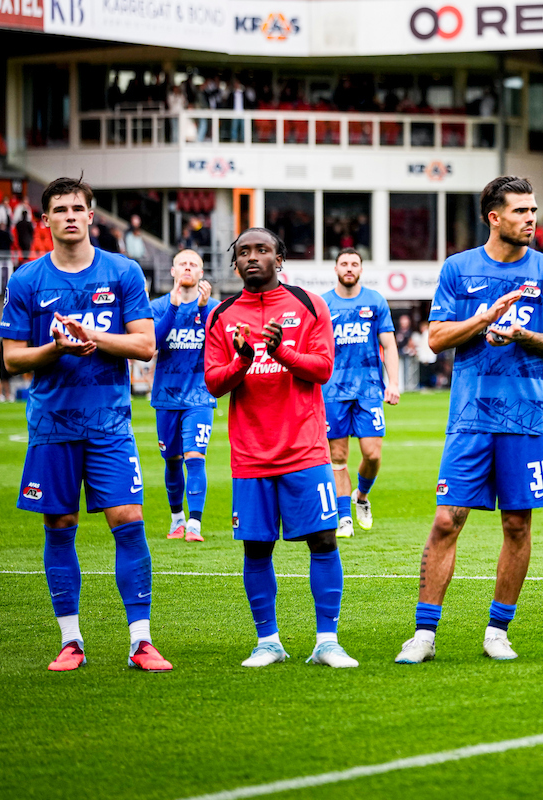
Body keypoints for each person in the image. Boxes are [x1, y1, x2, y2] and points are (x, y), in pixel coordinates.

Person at [395, 176, 543, 665]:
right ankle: (424, 635)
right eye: (520, 211)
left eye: (534, 210)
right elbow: (436, 338)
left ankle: (498, 629)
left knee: (517, 525)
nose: (531, 218)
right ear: (494, 217)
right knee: (446, 520)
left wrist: (523, 334)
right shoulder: (458, 269)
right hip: (470, 420)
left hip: (527, 420)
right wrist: (484, 319)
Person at [0, 175, 170, 672]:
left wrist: (91, 335)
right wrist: (57, 347)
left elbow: (144, 346)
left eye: (79, 208)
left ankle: (141, 641)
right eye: (61, 209)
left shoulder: (123, 272)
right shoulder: (27, 280)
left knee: (129, 522)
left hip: (109, 424)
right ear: (46, 219)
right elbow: (12, 361)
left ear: (91, 217)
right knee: (60, 525)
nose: (71, 216)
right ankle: (70, 641)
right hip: (51, 424)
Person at [204, 227, 357, 669]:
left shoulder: (310, 305)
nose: (253, 257)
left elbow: (324, 368)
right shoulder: (222, 315)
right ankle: (268, 641)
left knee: (324, 540)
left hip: (305, 450)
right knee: (256, 547)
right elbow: (214, 383)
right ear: (235, 264)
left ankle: (327, 641)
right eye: (244, 252)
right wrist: (244, 362)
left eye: (262, 250)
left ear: (279, 258)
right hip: (250, 453)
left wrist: (281, 352)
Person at [321, 248, 399, 537]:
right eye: (344, 263)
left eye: (355, 263)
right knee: (337, 457)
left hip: (368, 391)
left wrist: (393, 383)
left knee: (373, 454)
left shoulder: (375, 301)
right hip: (332, 391)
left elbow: (389, 345)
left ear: (361, 269)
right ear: (336, 269)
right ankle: (344, 520)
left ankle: (362, 497)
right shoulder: (324, 304)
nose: (349, 268)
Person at [150, 249, 218, 543]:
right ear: (173, 271)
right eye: (183, 264)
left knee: (195, 457)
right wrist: (174, 309)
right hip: (166, 396)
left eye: (194, 265)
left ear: (202, 273)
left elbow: (219, 344)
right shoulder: (157, 306)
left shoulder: (213, 308)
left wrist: (203, 311)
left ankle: (194, 523)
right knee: (172, 461)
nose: (188, 268)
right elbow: (151, 343)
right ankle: (177, 518)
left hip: (200, 396)